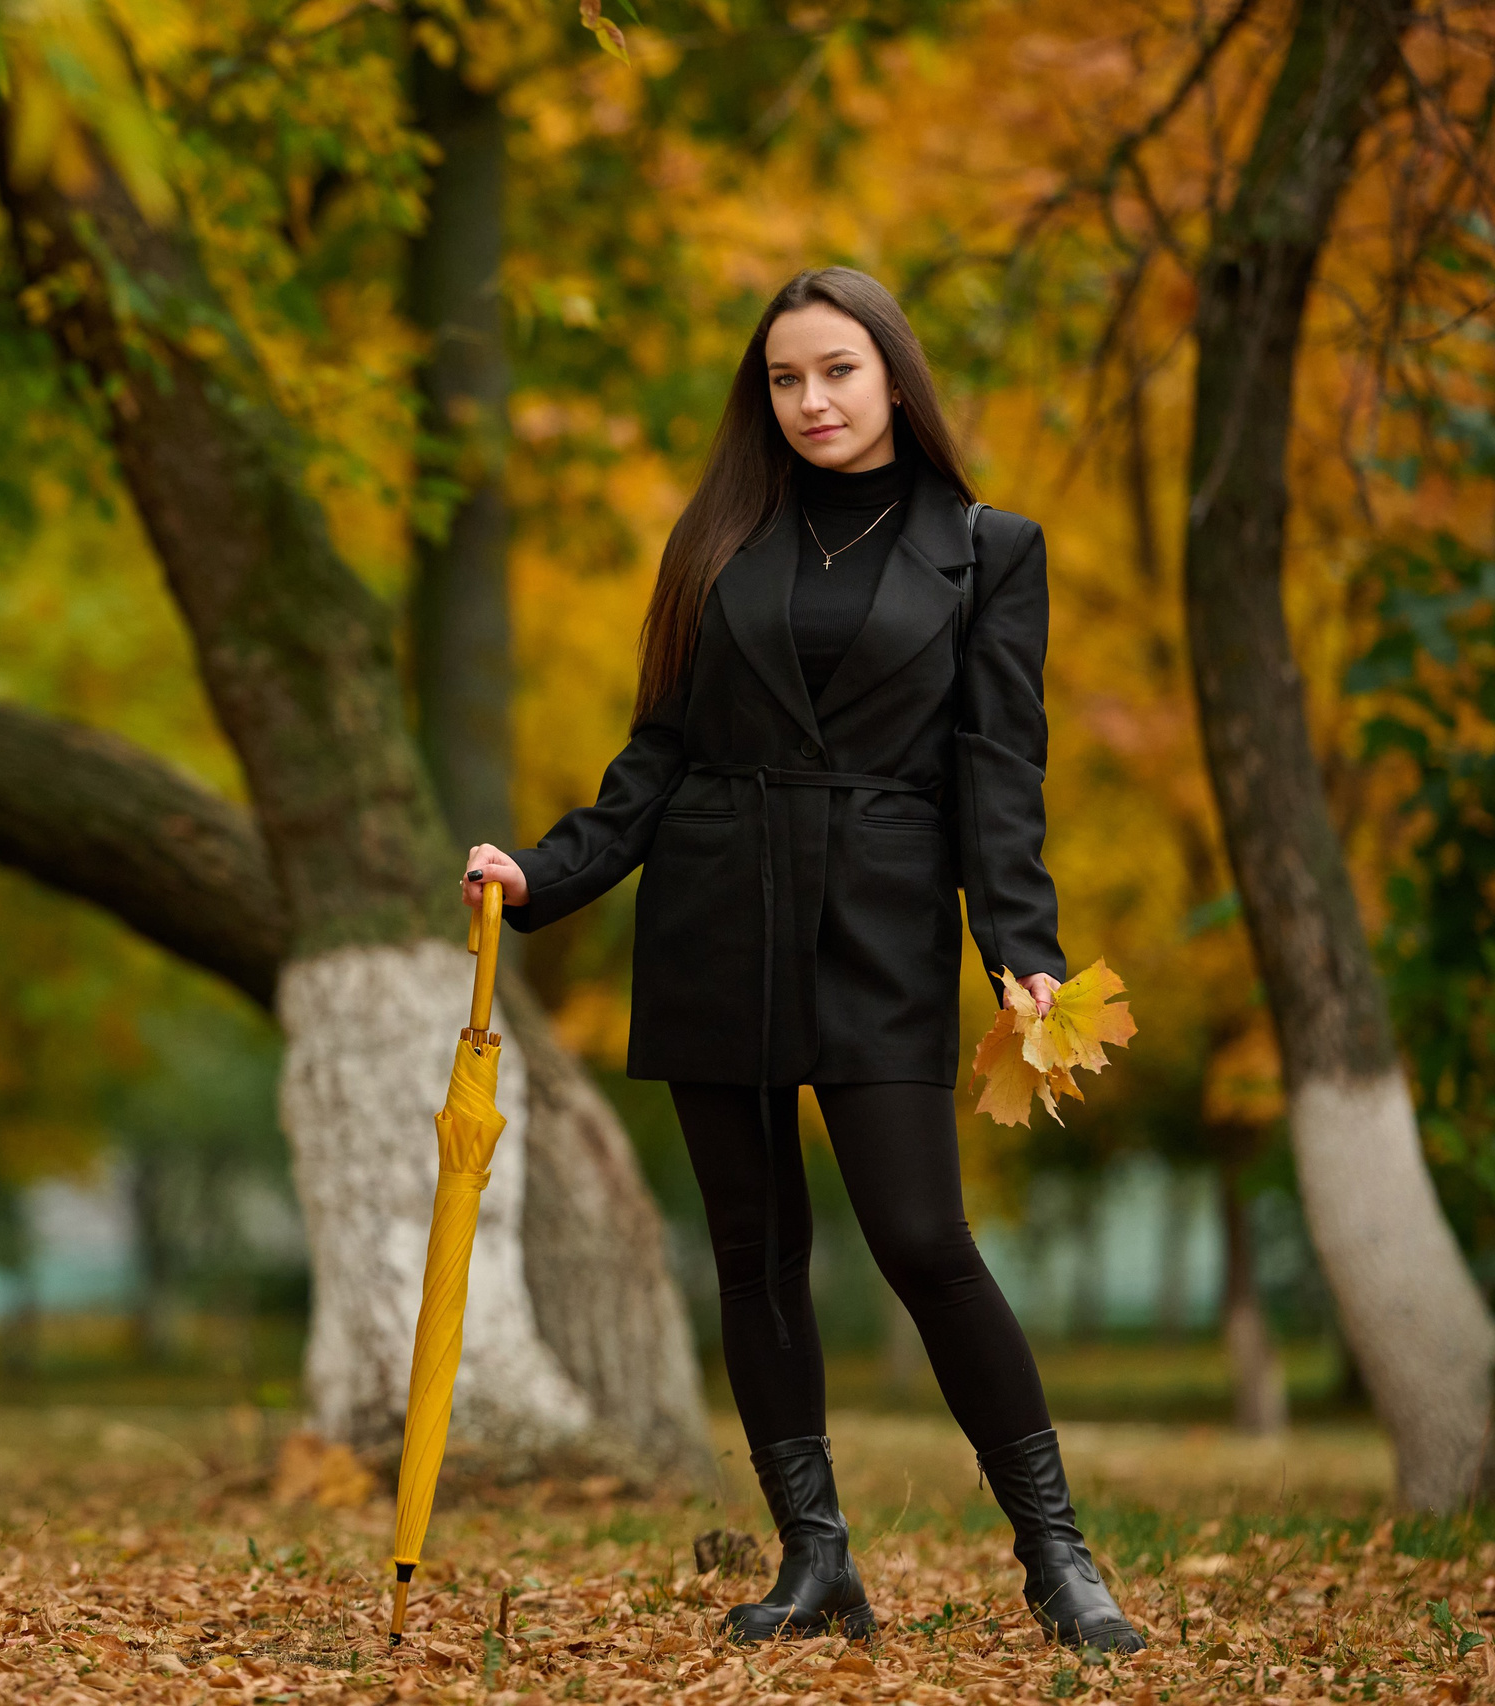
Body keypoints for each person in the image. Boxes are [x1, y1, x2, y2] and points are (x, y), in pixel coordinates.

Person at [459, 266, 1142, 1655]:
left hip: (880, 919)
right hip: (715, 907)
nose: (812, 400)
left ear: (893, 374)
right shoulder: (719, 537)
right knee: (753, 1249)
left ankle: (1057, 1554)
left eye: (836, 369)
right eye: (785, 379)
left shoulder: (987, 548)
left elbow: (1000, 773)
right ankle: (814, 1554)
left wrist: (1021, 943)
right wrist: (547, 869)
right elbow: (660, 751)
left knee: (923, 1239)